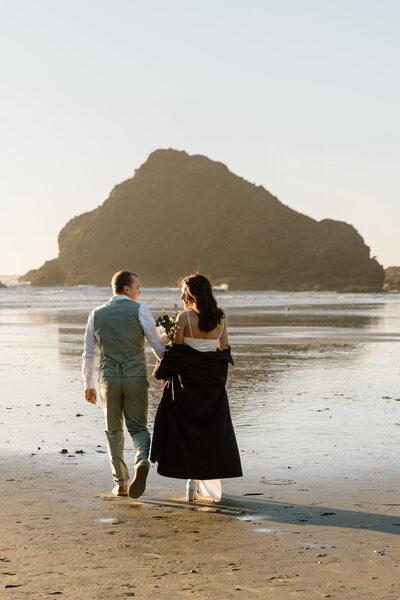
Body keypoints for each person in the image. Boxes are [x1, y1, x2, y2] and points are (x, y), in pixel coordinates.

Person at [150, 273, 242, 501]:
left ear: (193, 294)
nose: (181, 296)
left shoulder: (184, 319)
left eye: (184, 292)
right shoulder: (220, 318)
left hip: (186, 386)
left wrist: (160, 374)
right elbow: (224, 350)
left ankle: (191, 481)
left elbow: (176, 354)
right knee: (209, 435)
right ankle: (198, 481)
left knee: (186, 434)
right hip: (211, 388)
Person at [82, 270, 165, 498]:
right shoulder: (140, 310)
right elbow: (156, 345)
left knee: (113, 430)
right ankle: (141, 460)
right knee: (138, 427)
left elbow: (88, 353)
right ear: (127, 288)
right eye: (137, 286)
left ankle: (120, 484)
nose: (140, 291)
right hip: (135, 377)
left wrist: (88, 384)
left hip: (108, 380)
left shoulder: (96, 314)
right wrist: (168, 369)